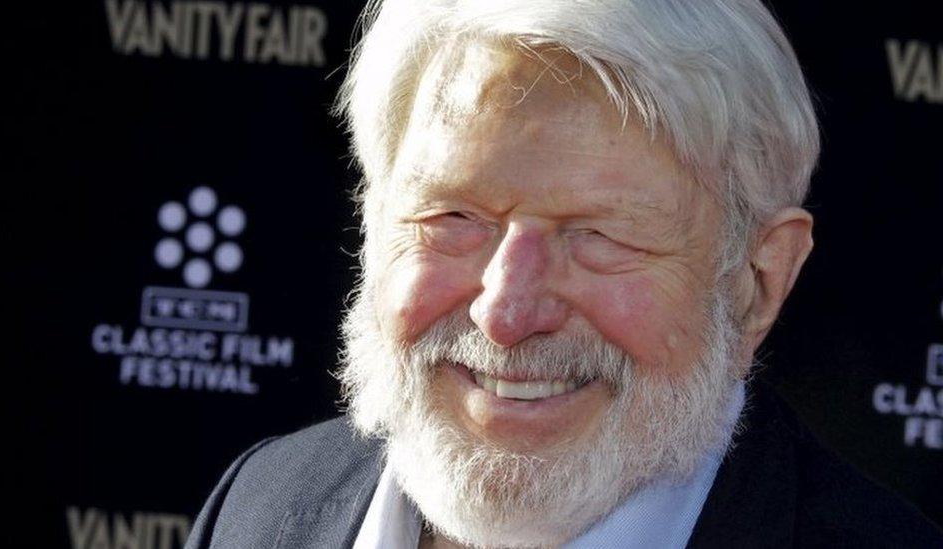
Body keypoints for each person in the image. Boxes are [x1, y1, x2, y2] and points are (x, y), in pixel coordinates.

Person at [185, 1, 943, 547]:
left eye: (600, 236)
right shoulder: (258, 507)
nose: (506, 313)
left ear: (758, 281)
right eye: (453, 219)